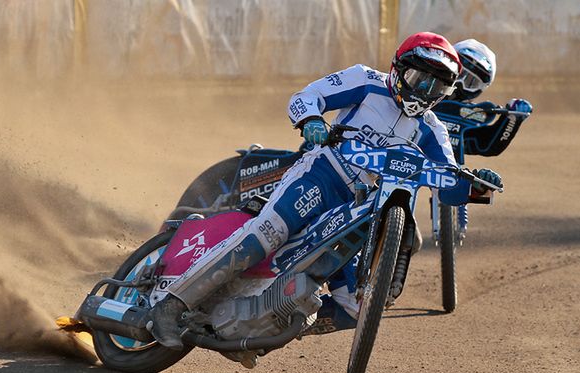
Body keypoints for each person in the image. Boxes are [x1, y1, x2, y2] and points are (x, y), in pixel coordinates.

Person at [148, 32, 503, 350]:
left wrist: (472, 182)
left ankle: (264, 328)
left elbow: (450, 188)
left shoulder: (433, 129)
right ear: (398, 68)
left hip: (362, 206)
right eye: (418, 79)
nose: (424, 92)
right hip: (322, 174)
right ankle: (171, 304)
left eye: (436, 88)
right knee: (265, 235)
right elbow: (308, 96)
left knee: (355, 306)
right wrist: (313, 121)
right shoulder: (366, 81)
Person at [434, 39, 532, 157]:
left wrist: (512, 120)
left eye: (471, 82)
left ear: (480, 88)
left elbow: (486, 146)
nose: (460, 84)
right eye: (459, 75)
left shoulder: (468, 117)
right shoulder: (419, 92)